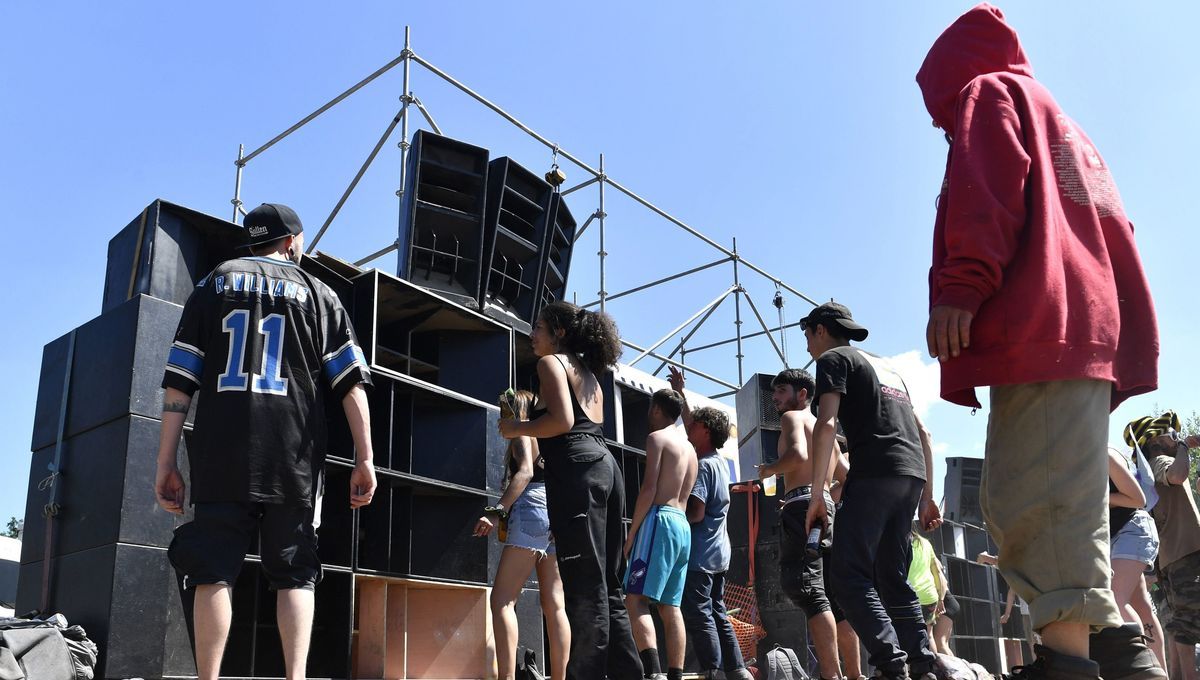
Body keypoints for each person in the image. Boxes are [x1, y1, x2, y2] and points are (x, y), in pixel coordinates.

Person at [917, 5, 1161, 680]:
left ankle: (1064, 666)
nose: (944, 124)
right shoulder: (1064, 123)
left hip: (1040, 328)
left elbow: (985, 189)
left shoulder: (989, 92)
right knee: (1064, 503)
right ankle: (1121, 655)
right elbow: (1121, 233)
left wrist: (962, 286)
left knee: (1038, 501)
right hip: (1083, 330)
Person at [154, 203, 376, 680]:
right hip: (292, 456)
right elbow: (351, 385)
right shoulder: (321, 294)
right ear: (293, 242)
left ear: (253, 241)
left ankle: (207, 678)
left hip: (221, 451)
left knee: (213, 568)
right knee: (295, 570)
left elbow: (180, 382)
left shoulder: (215, 282)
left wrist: (165, 460)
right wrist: (365, 457)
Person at [498, 301, 641, 680]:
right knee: (608, 587)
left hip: (579, 475)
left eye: (539, 327)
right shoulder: (590, 373)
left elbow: (561, 421)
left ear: (559, 332)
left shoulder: (551, 364)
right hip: (606, 469)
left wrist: (517, 429)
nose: (532, 334)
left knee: (584, 589)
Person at [801, 301, 941, 680]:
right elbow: (924, 433)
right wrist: (928, 496)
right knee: (892, 577)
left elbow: (826, 423)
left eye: (808, 336)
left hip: (875, 473)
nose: (808, 348)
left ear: (821, 330)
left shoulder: (834, 359)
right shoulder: (889, 368)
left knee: (848, 579)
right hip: (911, 476)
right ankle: (923, 665)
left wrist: (818, 495)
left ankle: (892, 667)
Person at [755, 368, 859, 680]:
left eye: (782, 391)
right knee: (833, 597)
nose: (775, 398)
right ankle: (854, 675)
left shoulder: (792, 419)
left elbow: (798, 456)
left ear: (803, 395)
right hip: (825, 505)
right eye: (774, 392)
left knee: (809, 591)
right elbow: (847, 478)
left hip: (802, 503)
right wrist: (826, 498)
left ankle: (831, 675)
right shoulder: (827, 431)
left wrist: (769, 469)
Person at [474, 390, 570, 680]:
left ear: (516, 410)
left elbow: (525, 472)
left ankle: (506, 678)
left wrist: (497, 511)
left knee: (502, 600)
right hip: (554, 509)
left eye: (506, 410)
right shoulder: (549, 433)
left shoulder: (521, 431)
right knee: (554, 605)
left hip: (530, 507)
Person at [623, 389, 697, 680]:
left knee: (635, 599)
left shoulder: (657, 439)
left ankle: (653, 673)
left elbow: (649, 489)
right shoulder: (690, 449)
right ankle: (675, 676)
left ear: (656, 410)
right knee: (671, 605)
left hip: (660, 521)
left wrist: (631, 536)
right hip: (682, 525)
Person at [1125, 413, 1200, 680]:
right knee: (1188, 624)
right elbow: (1178, 476)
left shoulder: (1156, 463)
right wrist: (1184, 447)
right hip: (1185, 553)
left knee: (1182, 622)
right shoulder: (1160, 460)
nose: (1175, 436)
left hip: (1178, 554)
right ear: (1155, 441)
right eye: (1170, 433)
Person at [1106, 447, 1166, 671]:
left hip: (1134, 528)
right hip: (1111, 537)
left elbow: (1137, 499)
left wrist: (1096, 498)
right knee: (1140, 607)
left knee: (1114, 599)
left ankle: (1143, 671)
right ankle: (1160, 673)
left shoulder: (1103, 455)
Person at [906, 533, 947, 649]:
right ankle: (934, 666)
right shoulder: (926, 543)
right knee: (929, 635)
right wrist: (941, 599)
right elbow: (937, 572)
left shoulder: (900, 542)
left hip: (910, 595)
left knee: (905, 636)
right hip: (930, 596)